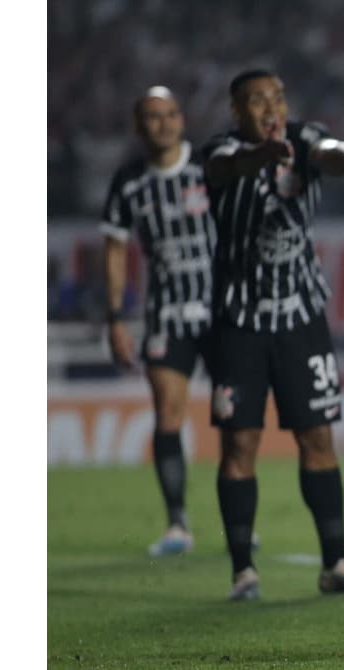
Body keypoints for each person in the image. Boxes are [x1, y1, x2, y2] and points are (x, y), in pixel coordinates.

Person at [201, 69, 344, 600]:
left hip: (302, 317)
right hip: (239, 323)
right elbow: (227, 166)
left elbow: (330, 151)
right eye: (257, 100)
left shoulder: (305, 140)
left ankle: (337, 564)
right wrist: (263, 156)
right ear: (237, 112)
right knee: (240, 442)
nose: (271, 106)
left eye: (278, 96)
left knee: (318, 437)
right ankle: (243, 572)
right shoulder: (218, 151)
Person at [100, 86, 215, 557]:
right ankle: (177, 524)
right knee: (168, 410)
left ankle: (237, 518)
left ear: (182, 120)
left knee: (235, 419)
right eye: (152, 116)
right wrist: (115, 318)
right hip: (166, 313)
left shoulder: (210, 169)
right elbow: (114, 251)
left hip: (221, 311)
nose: (163, 124)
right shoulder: (128, 183)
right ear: (138, 125)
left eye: (170, 115)